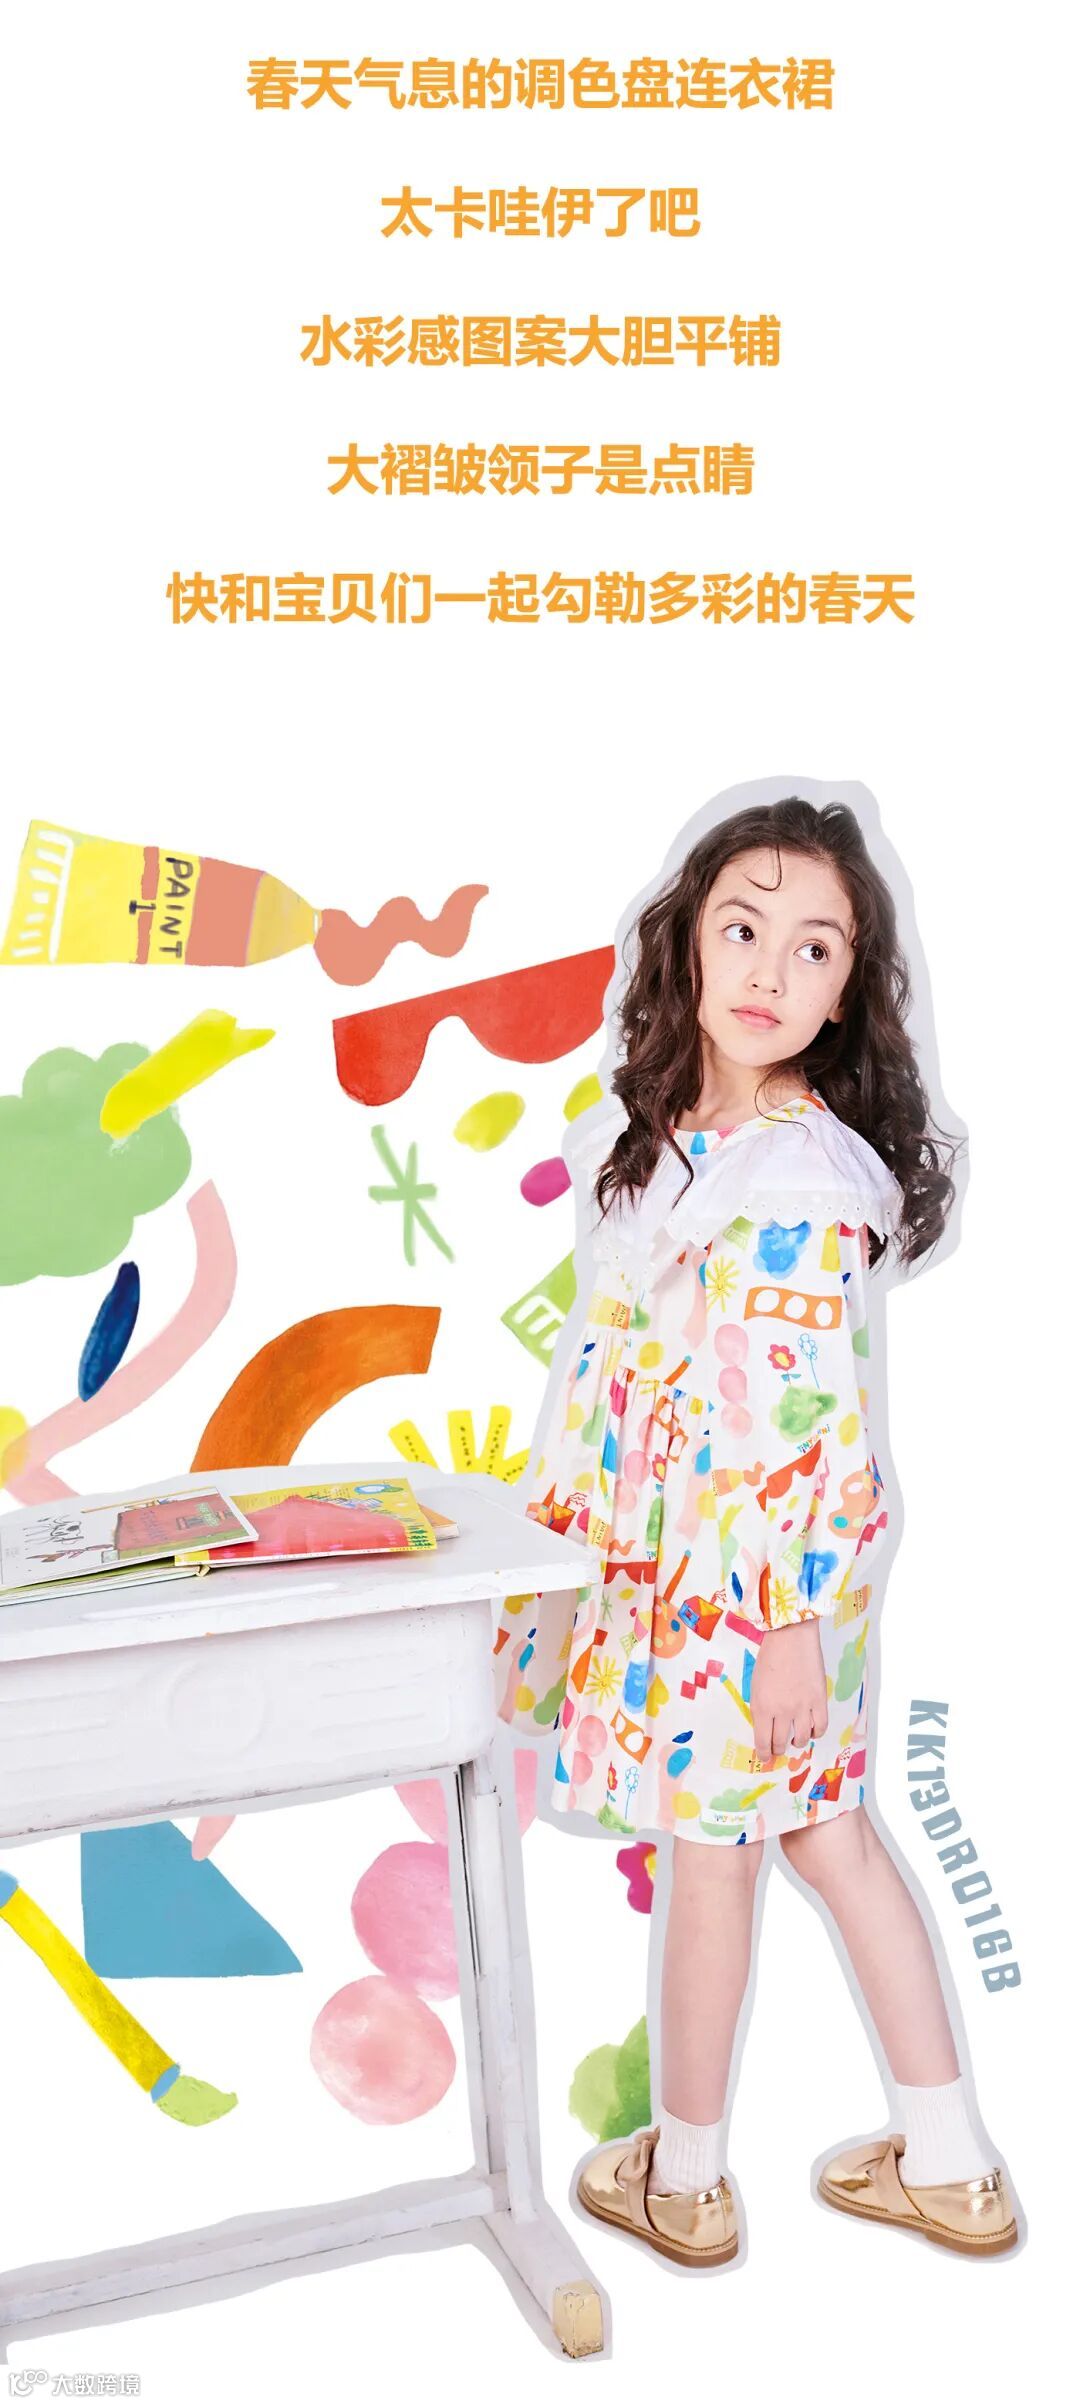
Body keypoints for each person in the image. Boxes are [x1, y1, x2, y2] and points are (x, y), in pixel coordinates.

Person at [492, 796, 1018, 2267]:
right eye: (744, 927)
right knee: (817, 1837)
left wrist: (788, 1624)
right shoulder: (683, 1143)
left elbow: (803, 1426)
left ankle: (687, 2178)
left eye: (815, 946)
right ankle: (950, 2163)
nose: (770, 969)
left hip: (751, 1586)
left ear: (848, 990)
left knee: (732, 1854)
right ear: (690, 942)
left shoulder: (790, 1179)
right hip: (702, 1575)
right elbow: (621, 1382)